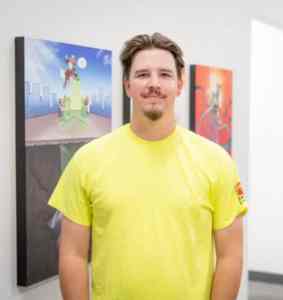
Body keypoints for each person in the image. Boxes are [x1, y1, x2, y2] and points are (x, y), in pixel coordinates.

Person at [49, 32, 248, 300]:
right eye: (143, 74)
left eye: (164, 75)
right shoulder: (87, 160)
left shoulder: (217, 162)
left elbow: (230, 256)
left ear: (179, 84)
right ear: (127, 85)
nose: (154, 83)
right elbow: (72, 254)